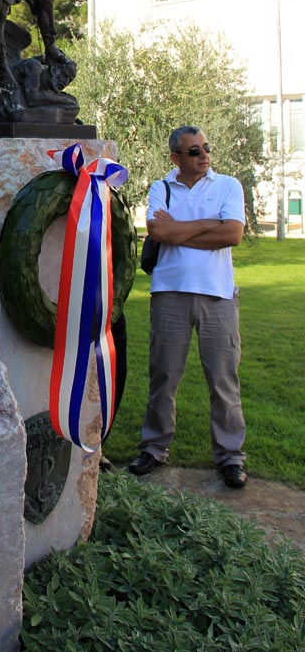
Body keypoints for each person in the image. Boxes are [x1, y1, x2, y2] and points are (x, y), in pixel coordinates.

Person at [128, 125, 247, 489]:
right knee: (163, 377)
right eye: (194, 151)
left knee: (223, 381)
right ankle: (154, 448)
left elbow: (233, 234)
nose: (204, 155)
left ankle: (230, 457)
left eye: (205, 148)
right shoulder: (161, 187)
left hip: (218, 296)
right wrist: (209, 224)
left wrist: (181, 228)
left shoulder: (228, 185)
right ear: (176, 157)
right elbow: (159, 233)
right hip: (169, 295)